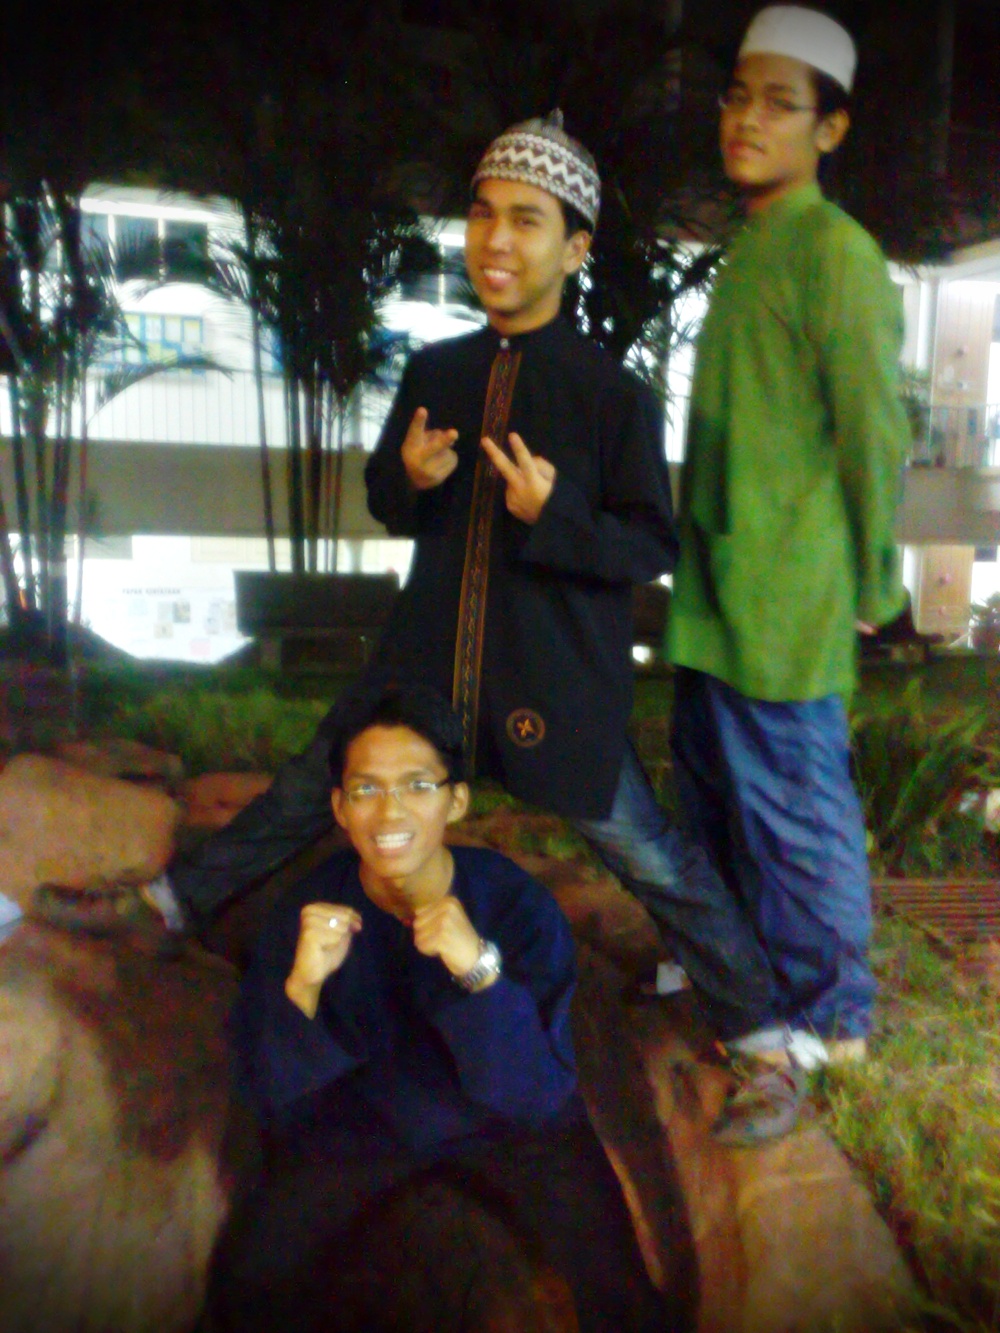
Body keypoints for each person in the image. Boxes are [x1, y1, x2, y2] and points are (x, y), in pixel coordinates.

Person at [147, 111, 794, 1133]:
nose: (495, 239)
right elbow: (391, 502)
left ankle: (763, 1039)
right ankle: (163, 911)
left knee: (655, 858)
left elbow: (649, 546)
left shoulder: (610, 395)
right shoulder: (437, 371)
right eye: (484, 214)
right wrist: (406, 480)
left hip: (552, 685)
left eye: (527, 220)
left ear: (574, 249)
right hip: (420, 675)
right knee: (301, 797)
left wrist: (557, 513)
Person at [204, 684, 674, 1332]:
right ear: (339, 807)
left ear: (456, 801)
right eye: (366, 789)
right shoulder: (311, 909)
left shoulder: (516, 904)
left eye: (418, 786)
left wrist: (476, 967)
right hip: (361, 1126)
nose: (389, 811)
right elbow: (269, 1088)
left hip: (514, 1128)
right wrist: (304, 984)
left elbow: (537, 1092)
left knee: (620, 1295)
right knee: (244, 1284)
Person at [665, 5, 911, 1143]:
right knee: (716, 801)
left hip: (787, 590)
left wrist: (874, 582)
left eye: (779, 102)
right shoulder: (749, 245)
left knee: (797, 813)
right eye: (737, 95)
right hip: (716, 583)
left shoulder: (835, 251)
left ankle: (832, 1018)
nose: (746, 118)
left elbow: (873, 432)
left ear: (830, 128)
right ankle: (737, 986)